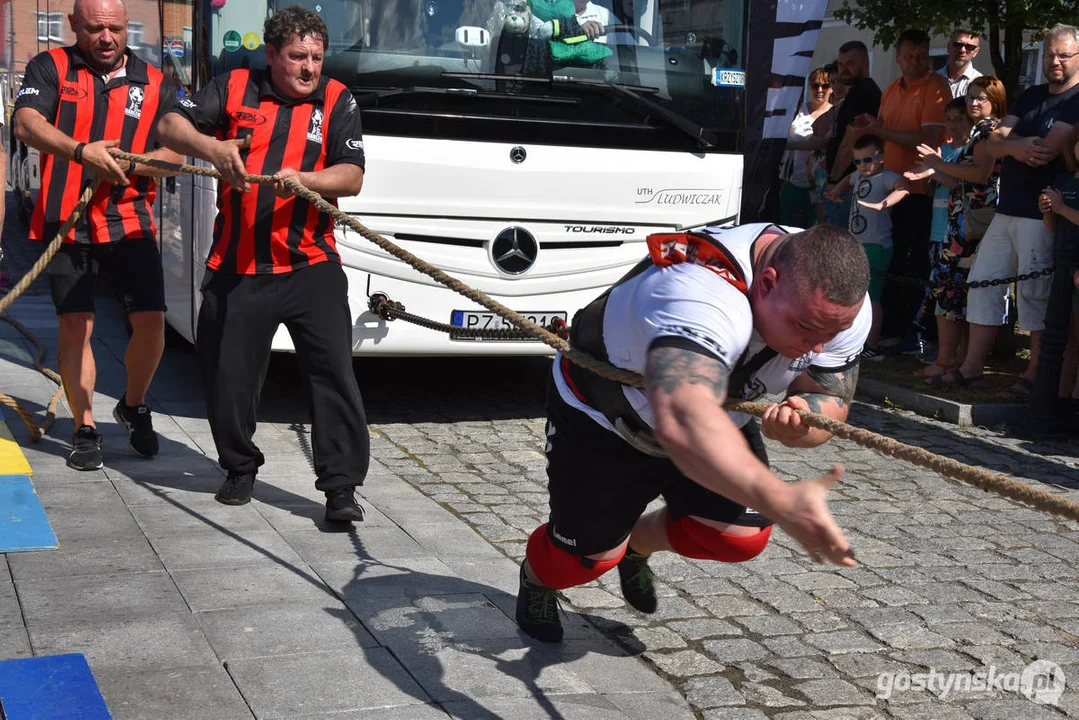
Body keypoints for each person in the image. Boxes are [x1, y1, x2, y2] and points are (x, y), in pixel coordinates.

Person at [514, 223, 872, 643]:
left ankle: (635, 545)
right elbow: (685, 418)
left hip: (717, 419)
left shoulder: (833, 302)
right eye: (806, 328)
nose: (817, 346)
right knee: (579, 564)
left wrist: (801, 421)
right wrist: (781, 498)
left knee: (741, 539)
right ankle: (538, 578)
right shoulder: (699, 294)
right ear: (768, 282)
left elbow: (829, 401)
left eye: (831, 334)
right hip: (606, 419)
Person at [156, 5, 370, 522]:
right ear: (272, 54)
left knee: (333, 375)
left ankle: (341, 488)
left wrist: (307, 180)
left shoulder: (338, 99)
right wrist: (212, 148)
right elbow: (167, 125)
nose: (309, 68)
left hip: (310, 265)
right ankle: (240, 466)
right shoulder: (232, 88)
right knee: (227, 376)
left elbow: (352, 174)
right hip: (236, 267)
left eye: (317, 57)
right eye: (298, 57)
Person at [11, 0, 183, 471]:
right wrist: (82, 153)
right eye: (93, 29)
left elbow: (178, 147)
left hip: (131, 220)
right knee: (76, 325)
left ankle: (133, 402)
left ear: (127, 27)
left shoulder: (155, 81)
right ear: (74, 26)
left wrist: (132, 164)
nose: (105, 38)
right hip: (66, 220)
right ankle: (85, 426)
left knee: (151, 323)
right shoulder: (51, 67)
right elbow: (26, 122)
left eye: (114, 28)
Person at [939, 25, 1079, 398]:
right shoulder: (1030, 95)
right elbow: (991, 143)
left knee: (1035, 294)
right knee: (983, 283)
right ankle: (971, 368)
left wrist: (1010, 144)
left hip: (1044, 212)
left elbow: (1047, 149)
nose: (1055, 61)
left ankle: (1033, 376)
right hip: (1007, 207)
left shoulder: (1076, 99)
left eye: (1064, 55)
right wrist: (1016, 147)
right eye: (1050, 54)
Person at [847, 29, 950, 355]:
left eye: (921, 54)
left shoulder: (937, 87)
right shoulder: (891, 87)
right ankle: (886, 329)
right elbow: (882, 134)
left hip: (918, 189)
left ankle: (912, 334)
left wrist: (882, 131)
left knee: (916, 261)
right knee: (891, 262)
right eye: (909, 55)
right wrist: (870, 126)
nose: (915, 60)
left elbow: (929, 141)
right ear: (898, 57)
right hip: (886, 186)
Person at [908, 79, 1005, 383]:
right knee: (952, 291)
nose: (974, 104)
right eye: (971, 98)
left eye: (982, 99)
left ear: (996, 101)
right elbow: (963, 182)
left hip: (973, 226)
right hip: (962, 221)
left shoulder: (989, 129)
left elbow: (980, 174)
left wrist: (938, 163)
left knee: (950, 288)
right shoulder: (979, 130)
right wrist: (935, 169)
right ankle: (952, 360)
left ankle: (950, 361)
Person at [826, 134, 910, 359]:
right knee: (855, 294)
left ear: (881, 157)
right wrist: (835, 192)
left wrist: (884, 203)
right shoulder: (858, 176)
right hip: (858, 244)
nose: (862, 165)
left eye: (867, 160)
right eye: (857, 161)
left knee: (872, 298)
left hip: (877, 245)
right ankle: (855, 340)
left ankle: (872, 345)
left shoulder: (886, 177)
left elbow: (903, 187)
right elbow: (847, 180)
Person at [1032, 122, 1079, 433]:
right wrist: (1048, 210)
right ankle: (1057, 403)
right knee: (1062, 339)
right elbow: (1052, 228)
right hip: (1063, 262)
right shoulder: (1064, 180)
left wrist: (1061, 208)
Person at [822, 42, 881, 230]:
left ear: (865, 63)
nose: (844, 70)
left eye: (850, 63)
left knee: (838, 245)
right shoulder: (855, 92)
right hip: (846, 183)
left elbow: (852, 141)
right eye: (840, 65)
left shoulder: (865, 92)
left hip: (848, 185)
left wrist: (833, 180)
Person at [779, 67, 833, 227]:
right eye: (815, 85)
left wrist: (788, 145)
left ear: (831, 87)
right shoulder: (797, 110)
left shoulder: (834, 112)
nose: (820, 90)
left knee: (816, 230)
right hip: (792, 180)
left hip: (819, 184)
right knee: (786, 228)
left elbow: (823, 143)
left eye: (825, 85)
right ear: (809, 86)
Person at [937, 30, 983, 99]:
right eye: (958, 45)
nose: (962, 50)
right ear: (949, 47)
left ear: (976, 52)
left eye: (969, 47)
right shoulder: (934, 78)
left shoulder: (979, 82)